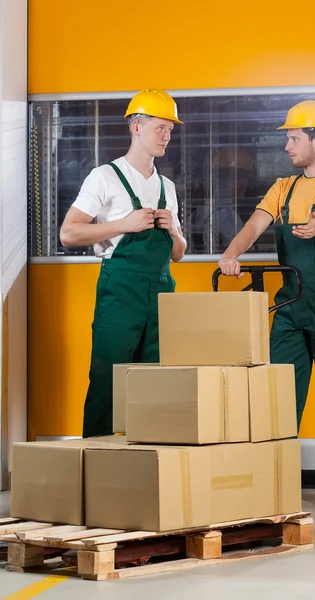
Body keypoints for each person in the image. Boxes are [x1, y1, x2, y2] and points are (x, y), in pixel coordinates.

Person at [219, 100, 315, 510]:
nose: (287, 146)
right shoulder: (282, 188)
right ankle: (275, 479)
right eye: (287, 138)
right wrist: (230, 255)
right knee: (281, 396)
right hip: (289, 306)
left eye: (294, 138)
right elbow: (254, 226)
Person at [60, 89, 187, 438]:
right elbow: (68, 233)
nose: (167, 135)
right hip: (121, 292)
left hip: (162, 294)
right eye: (160, 127)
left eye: (170, 130)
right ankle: (98, 471)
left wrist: (175, 232)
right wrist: (123, 224)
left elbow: (178, 253)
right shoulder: (104, 177)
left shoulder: (167, 186)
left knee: (155, 386)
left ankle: (146, 470)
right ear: (136, 127)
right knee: (107, 382)